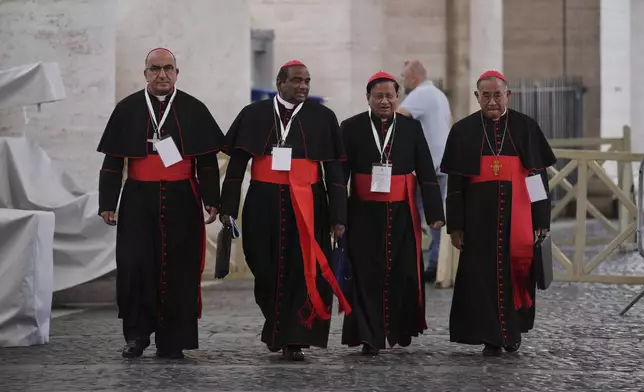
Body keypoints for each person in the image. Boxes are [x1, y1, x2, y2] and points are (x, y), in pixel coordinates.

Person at [97, 48, 225, 359]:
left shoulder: (194, 109)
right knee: (135, 267)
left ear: (177, 73)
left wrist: (212, 200)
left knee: (180, 268)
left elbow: (207, 161)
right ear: (145, 74)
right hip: (138, 199)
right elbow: (113, 162)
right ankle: (136, 336)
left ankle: (173, 340)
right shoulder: (127, 109)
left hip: (182, 197)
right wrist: (107, 202)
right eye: (155, 69)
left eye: (168, 68)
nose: (162, 75)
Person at [219, 60, 351, 361]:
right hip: (263, 202)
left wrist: (338, 216)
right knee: (264, 268)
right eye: (296, 80)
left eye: (307, 80)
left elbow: (334, 172)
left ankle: (294, 337)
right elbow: (237, 167)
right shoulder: (253, 114)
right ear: (280, 83)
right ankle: (276, 324)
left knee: (301, 270)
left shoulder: (323, 117)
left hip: (309, 203)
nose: (303, 85)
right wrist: (228, 207)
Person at [440, 70, 556, 356]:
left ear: (508, 95)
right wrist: (455, 225)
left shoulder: (525, 127)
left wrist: (541, 219)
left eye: (498, 95)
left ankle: (512, 333)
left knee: (517, 274)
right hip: (478, 220)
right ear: (477, 97)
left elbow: (537, 178)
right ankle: (490, 336)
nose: (492, 101)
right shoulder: (463, 130)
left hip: (518, 216)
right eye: (486, 95)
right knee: (482, 279)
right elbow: (455, 184)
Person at [340, 71, 445, 355]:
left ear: (398, 98)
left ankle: (397, 329)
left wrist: (435, 213)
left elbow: (426, 171)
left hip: (401, 212)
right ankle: (368, 335)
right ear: (368, 99)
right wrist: (338, 217)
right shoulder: (350, 127)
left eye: (390, 96)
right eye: (378, 96)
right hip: (362, 213)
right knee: (365, 273)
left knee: (401, 272)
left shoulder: (411, 128)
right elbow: (339, 177)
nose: (384, 101)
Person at [398, 60, 452, 283]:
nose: (403, 83)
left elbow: (397, 118)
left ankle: (428, 264)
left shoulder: (420, 94)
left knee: (420, 213)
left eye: (403, 78)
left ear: (412, 78)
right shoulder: (439, 94)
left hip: (428, 165)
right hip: (441, 161)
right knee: (435, 213)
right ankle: (435, 263)